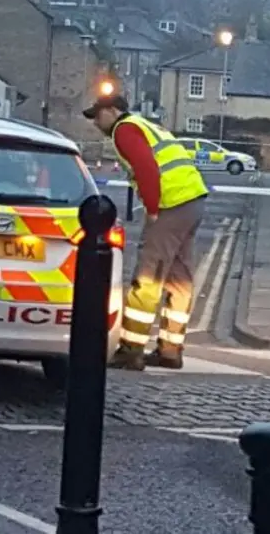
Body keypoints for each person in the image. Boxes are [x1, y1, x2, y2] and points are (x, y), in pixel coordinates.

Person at [83, 94, 209, 370]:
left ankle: (131, 349)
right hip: (193, 200)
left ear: (114, 111)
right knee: (180, 278)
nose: (95, 123)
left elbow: (146, 167)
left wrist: (151, 209)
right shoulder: (145, 125)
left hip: (170, 203)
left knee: (148, 275)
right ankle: (170, 350)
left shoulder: (124, 130)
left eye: (98, 115)